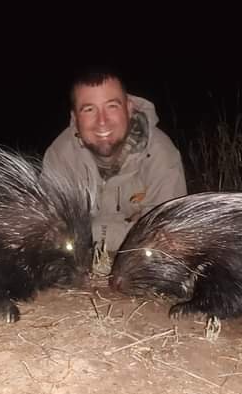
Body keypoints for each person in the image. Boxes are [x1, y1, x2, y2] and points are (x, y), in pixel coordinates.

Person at [43, 68, 187, 273]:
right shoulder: (60, 155)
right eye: (89, 109)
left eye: (112, 106)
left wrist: (87, 234)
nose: (102, 121)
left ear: (129, 108)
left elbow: (168, 239)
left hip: (134, 274)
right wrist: (133, 231)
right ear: (75, 118)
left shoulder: (161, 153)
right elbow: (53, 235)